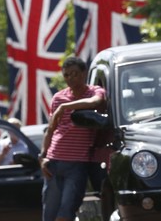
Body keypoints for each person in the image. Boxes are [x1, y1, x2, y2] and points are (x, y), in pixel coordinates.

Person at [40, 56, 106, 221]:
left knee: (66, 211)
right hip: (53, 162)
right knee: (50, 213)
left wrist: (66, 106)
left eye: (74, 74)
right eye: (67, 75)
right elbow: (50, 129)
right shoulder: (58, 97)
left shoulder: (95, 91)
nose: (70, 78)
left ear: (84, 73)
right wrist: (42, 157)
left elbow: (95, 102)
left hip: (77, 164)